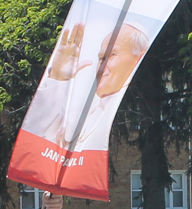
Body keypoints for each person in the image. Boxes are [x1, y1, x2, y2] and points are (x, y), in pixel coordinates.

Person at [21, 21, 149, 150]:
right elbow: (32, 145)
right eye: (101, 58)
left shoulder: (141, 108)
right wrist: (57, 78)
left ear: (138, 58)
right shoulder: (78, 119)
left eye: (112, 55)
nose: (101, 68)